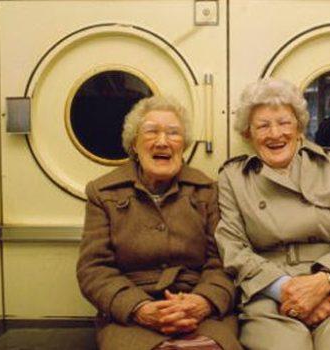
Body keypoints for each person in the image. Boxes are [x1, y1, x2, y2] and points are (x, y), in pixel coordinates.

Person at [215, 78, 330, 350]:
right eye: (263, 126)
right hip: (268, 290)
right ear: (247, 134)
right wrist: (287, 288)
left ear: (299, 127)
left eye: (284, 122)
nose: (275, 134)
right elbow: (233, 248)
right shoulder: (233, 177)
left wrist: (323, 283)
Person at [77, 96, 241, 350]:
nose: (162, 141)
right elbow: (94, 269)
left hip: (199, 309)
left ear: (183, 145)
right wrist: (140, 308)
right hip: (130, 315)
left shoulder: (207, 190)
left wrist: (202, 301)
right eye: (151, 131)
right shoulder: (103, 192)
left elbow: (224, 261)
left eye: (173, 133)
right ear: (134, 143)